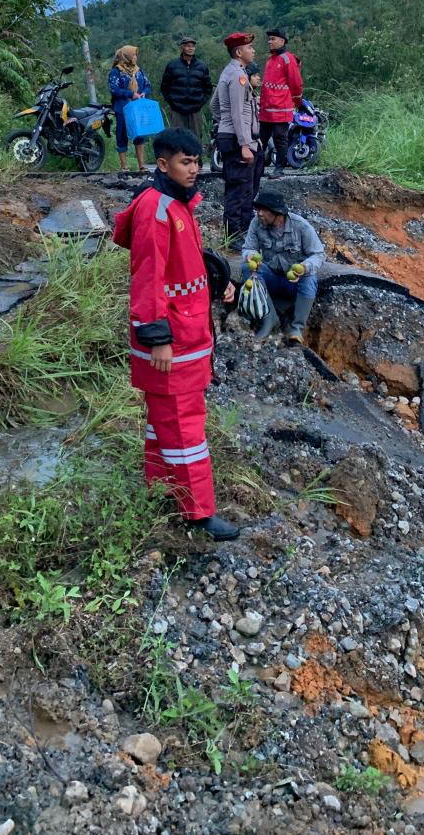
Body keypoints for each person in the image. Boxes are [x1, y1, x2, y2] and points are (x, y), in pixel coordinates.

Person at [112, 128, 239, 541]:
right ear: (164, 164)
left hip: (185, 332)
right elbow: (147, 279)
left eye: (196, 161)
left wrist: (218, 280)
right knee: (185, 427)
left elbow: (182, 263)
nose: (194, 169)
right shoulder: (157, 209)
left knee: (164, 422)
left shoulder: (177, 204)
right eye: (186, 162)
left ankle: (160, 487)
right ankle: (197, 511)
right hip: (172, 340)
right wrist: (158, 339)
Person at [241, 187, 324, 344]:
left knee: (310, 278)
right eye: (258, 209)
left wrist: (304, 267)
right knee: (247, 268)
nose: (259, 213)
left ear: (277, 212)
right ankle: (269, 319)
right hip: (271, 278)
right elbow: (248, 248)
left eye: (264, 210)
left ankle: (297, 328)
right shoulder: (256, 223)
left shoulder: (300, 226)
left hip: (293, 282)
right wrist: (250, 255)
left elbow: (318, 254)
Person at [210, 30, 264, 239]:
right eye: (249, 47)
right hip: (237, 139)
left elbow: (215, 106)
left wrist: (223, 123)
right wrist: (244, 144)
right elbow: (236, 112)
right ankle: (233, 235)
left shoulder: (229, 72)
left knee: (244, 187)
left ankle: (243, 233)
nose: (253, 51)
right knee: (239, 189)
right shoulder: (238, 75)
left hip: (233, 135)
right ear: (239, 52)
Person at [259, 29, 303, 176]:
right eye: (269, 39)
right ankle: (258, 169)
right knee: (261, 139)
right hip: (266, 109)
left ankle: (279, 169)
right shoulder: (270, 59)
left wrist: (297, 101)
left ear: (282, 41)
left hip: (281, 108)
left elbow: (296, 83)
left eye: (273, 39)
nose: (269, 42)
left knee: (280, 139)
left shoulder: (287, 59)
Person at [108, 45, 153, 172]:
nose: (135, 57)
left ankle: (142, 165)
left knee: (139, 134)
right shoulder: (116, 72)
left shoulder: (138, 71)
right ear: (126, 56)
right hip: (122, 108)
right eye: (133, 55)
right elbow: (114, 90)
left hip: (137, 108)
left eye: (135, 55)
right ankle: (124, 166)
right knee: (122, 134)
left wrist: (143, 93)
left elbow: (148, 85)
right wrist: (130, 94)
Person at [160, 35, 212, 140]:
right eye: (188, 46)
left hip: (195, 111)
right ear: (182, 47)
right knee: (177, 139)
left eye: (192, 46)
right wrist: (173, 103)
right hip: (177, 110)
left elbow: (208, 88)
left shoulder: (202, 66)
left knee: (195, 139)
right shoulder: (172, 65)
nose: (191, 48)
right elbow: (164, 87)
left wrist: (199, 104)